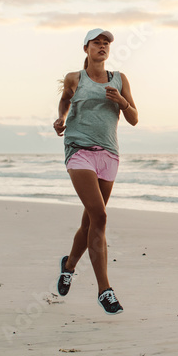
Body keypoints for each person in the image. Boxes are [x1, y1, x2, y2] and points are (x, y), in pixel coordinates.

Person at [53, 28, 138, 314]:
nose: (102, 46)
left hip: (109, 153)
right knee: (100, 215)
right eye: (97, 43)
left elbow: (134, 118)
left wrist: (121, 101)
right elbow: (65, 99)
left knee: (91, 221)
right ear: (86, 48)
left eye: (106, 43)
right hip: (79, 150)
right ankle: (105, 290)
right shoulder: (74, 78)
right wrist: (61, 118)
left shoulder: (119, 79)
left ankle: (68, 266)